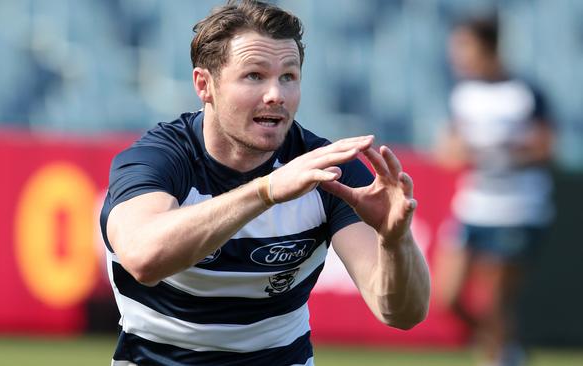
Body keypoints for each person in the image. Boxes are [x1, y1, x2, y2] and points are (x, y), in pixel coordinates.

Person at [100, 1, 430, 365]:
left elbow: (400, 314)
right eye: (255, 76)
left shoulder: (328, 172)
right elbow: (144, 258)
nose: (276, 94)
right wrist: (266, 191)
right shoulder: (157, 159)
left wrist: (395, 241)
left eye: (288, 77)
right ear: (204, 85)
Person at [434, 15, 555, 366]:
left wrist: (503, 152)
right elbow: (448, 150)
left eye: (464, 47)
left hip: (519, 208)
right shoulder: (463, 94)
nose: (457, 56)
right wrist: (467, 151)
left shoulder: (524, 92)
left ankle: (499, 357)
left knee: (496, 301)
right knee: (448, 296)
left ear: (487, 48)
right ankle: (506, 350)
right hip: (474, 207)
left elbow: (547, 148)